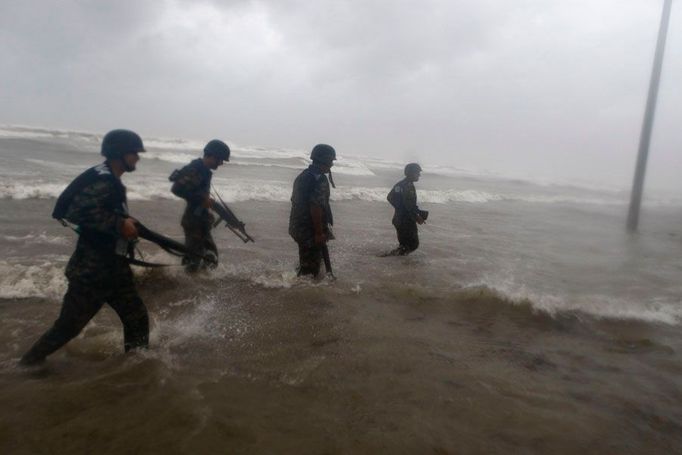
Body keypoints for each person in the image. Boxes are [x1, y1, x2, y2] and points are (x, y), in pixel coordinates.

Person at [20, 129, 149, 366]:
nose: (137, 158)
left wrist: (124, 224)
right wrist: (120, 223)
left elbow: (99, 212)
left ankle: (135, 368)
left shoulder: (108, 178)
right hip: (92, 271)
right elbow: (78, 211)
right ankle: (28, 364)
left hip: (114, 267)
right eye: (134, 153)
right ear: (119, 153)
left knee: (137, 319)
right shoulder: (104, 180)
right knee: (68, 327)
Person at [169, 139, 230, 273]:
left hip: (200, 221)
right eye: (220, 160)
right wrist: (201, 199)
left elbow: (197, 192)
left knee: (209, 257)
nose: (221, 163)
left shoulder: (204, 171)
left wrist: (206, 201)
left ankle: (197, 283)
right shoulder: (195, 168)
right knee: (194, 259)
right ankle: (186, 285)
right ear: (212, 155)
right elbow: (176, 188)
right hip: (193, 222)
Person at [289, 144, 336, 277]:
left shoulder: (304, 175)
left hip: (297, 227)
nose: (332, 164)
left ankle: (293, 282)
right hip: (309, 230)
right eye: (331, 161)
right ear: (324, 160)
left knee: (307, 262)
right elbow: (315, 207)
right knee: (311, 272)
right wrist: (319, 233)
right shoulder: (319, 179)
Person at [387, 162, 426, 256]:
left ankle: (394, 261)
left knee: (408, 245)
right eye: (417, 173)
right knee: (411, 245)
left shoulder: (409, 185)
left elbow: (409, 204)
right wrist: (413, 215)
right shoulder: (403, 185)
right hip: (403, 221)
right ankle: (389, 258)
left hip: (405, 220)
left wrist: (418, 213)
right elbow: (390, 198)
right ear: (410, 173)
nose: (419, 175)